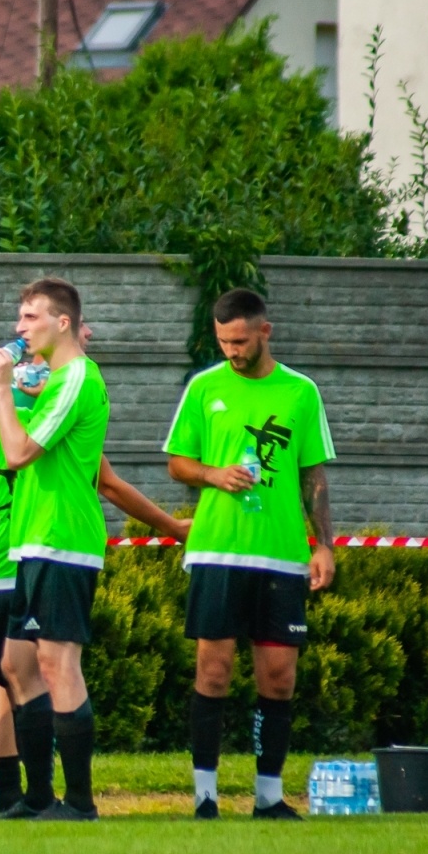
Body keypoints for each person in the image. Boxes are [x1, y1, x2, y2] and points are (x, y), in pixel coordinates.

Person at [0, 337, 189, 816]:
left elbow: (105, 480)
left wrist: (172, 527)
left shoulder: (29, 423)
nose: (7, 367)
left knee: (24, 679)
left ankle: (30, 795)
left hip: (27, 576)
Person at [164, 287, 336, 820]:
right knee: (212, 672)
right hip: (218, 552)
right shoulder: (204, 388)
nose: (231, 351)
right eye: (222, 342)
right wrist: (213, 475)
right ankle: (205, 796)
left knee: (279, 677)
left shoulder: (300, 393)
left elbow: (313, 474)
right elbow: (177, 462)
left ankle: (267, 797)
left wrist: (324, 544)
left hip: (282, 555)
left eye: (239, 341)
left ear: (265, 331)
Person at [0, 277, 109, 821]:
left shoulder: (77, 378)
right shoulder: (57, 378)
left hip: (64, 540)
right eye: (20, 317)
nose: (19, 327)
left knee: (59, 665)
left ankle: (79, 803)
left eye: (31, 317)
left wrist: (5, 388)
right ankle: (38, 798)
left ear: (63, 323)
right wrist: (22, 389)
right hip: (34, 541)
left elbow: (16, 453)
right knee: (16, 664)